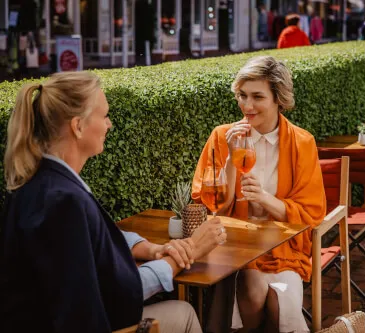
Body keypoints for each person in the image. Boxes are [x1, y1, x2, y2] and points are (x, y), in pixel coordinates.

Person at [0, 72, 227, 333]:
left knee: (182, 312)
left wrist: (151, 249)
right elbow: (119, 294)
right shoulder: (64, 202)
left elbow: (96, 239)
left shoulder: (42, 183)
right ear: (78, 126)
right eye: (104, 115)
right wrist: (187, 252)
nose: (109, 125)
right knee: (184, 315)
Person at [192, 56, 326, 332]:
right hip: (236, 246)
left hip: (284, 245)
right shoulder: (222, 137)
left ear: (279, 99)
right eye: (242, 95)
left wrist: (264, 198)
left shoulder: (303, 142)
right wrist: (229, 159)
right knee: (251, 288)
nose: (247, 106)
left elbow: (311, 214)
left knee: (279, 300)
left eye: (257, 97)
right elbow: (211, 205)